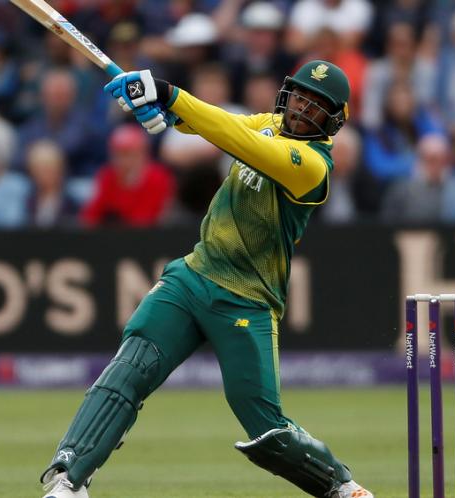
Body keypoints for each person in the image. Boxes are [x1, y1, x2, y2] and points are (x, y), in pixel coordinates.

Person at [40, 60, 373, 498]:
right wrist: (162, 109)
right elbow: (215, 123)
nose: (301, 110)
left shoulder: (312, 166)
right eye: (299, 98)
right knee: (129, 369)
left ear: (334, 120)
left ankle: (342, 487)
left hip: (247, 298)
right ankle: (69, 479)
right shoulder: (271, 123)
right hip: (194, 275)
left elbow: (234, 138)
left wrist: (170, 93)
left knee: (265, 427)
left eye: (315, 106)